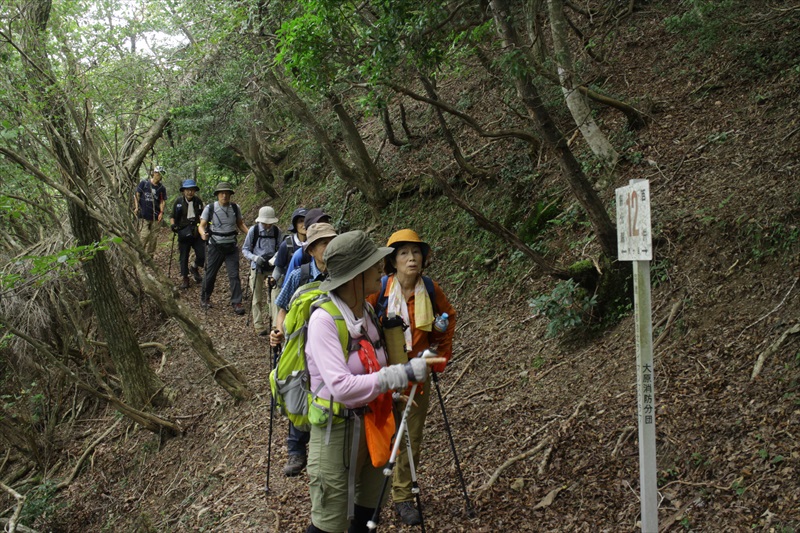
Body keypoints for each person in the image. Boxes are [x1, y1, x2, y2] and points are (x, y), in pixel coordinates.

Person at [303, 230, 434, 533]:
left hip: (374, 424)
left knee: (369, 510)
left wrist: (393, 393)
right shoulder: (325, 320)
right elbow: (342, 386)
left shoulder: (365, 312)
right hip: (336, 431)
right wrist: (398, 375)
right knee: (330, 522)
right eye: (374, 265)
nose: (381, 269)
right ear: (355, 276)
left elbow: (372, 365)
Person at [366, 229, 457, 526]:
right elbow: (362, 323)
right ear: (393, 260)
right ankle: (371, 495)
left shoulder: (430, 290)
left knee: (410, 437)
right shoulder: (379, 289)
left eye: (416, 252)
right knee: (382, 431)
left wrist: (439, 359)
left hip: (417, 374)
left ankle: (403, 497)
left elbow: (449, 318)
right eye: (404, 253)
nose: (411, 258)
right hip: (383, 373)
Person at [270, 222, 337, 477]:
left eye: (331, 242)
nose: (327, 247)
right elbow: (283, 307)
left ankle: (326, 445)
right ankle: (296, 450)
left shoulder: (343, 273)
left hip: (332, 342)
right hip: (301, 342)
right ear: (310, 250)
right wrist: (279, 331)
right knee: (301, 388)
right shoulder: (300, 275)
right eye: (322, 243)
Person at [198, 182, 248, 314]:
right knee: (210, 273)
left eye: (227, 193)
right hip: (215, 246)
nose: (224, 195)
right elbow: (201, 225)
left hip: (231, 246)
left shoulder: (235, 208)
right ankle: (205, 297)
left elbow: (240, 224)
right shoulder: (210, 208)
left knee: (234, 275)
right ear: (217, 195)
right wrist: (203, 234)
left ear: (230, 194)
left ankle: (237, 302)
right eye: (222, 193)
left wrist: (250, 234)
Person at [241, 206, 281, 335]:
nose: (267, 225)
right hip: (257, 267)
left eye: (269, 223)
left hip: (272, 268)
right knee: (257, 298)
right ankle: (259, 325)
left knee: (274, 296)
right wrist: (255, 258)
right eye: (265, 223)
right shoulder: (253, 231)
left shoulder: (276, 231)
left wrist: (275, 257)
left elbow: (282, 248)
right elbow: (245, 249)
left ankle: (275, 324)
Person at [169, 179, 205, 289]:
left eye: (192, 190)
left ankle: (194, 267)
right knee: (183, 256)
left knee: (202, 254)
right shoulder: (178, 202)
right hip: (183, 232)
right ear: (184, 191)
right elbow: (172, 216)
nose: (190, 192)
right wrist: (173, 225)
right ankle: (185, 278)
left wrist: (204, 227)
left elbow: (202, 216)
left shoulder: (198, 201)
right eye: (188, 190)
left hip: (196, 231)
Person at [285, 208, 332, 279]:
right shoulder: (300, 256)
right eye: (318, 224)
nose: (323, 226)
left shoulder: (339, 247)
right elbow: (288, 286)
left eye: (326, 222)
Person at [134, 166, 168, 256]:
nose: (159, 176)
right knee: (144, 236)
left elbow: (162, 201)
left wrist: (161, 212)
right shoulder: (144, 183)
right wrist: (137, 207)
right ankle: (139, 256)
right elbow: (137, 194)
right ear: (154, 173)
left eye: (161, 174)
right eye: (157, 173)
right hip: (144, 214)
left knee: (153, 238)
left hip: (156, 216)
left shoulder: (161, 188)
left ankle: (149, 258)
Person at [272, 207, 307, 289]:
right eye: (300, 221)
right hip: (290, 286)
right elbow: (279, 267)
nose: (304, 224)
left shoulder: (315, 243)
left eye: (306, 220)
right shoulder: (287, 245)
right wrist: (273, 279)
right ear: (295, 225)